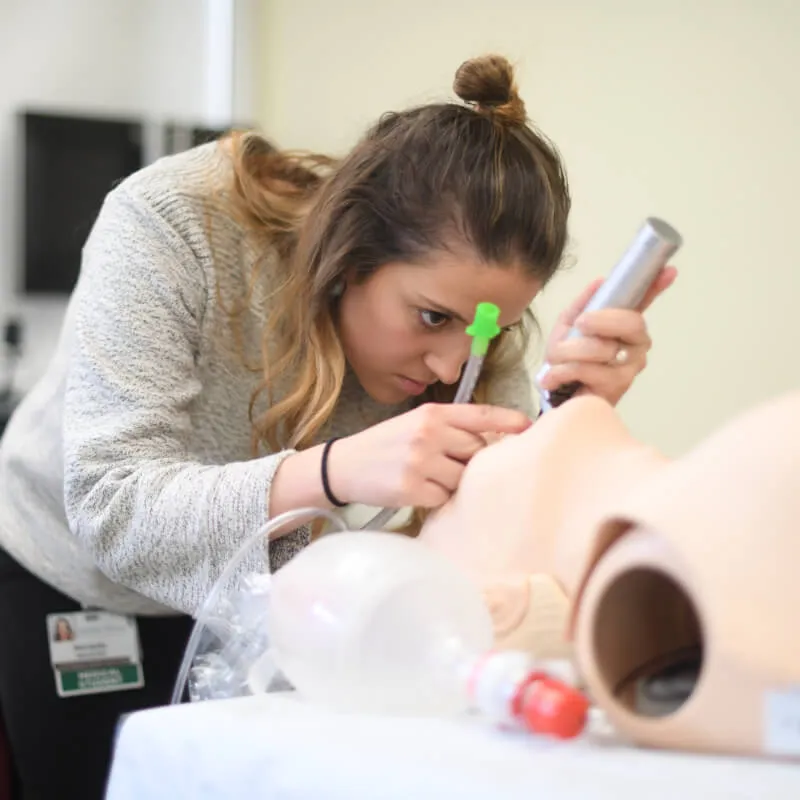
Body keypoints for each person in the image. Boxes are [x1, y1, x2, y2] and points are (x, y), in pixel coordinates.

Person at [0, 54, 675, 798]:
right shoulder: (174, 224)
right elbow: (112, 505)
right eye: (431, 317)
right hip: (79, 584)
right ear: (348, 256)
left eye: (491, 329)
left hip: (281, 607)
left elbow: (493, 522)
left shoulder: (470, 330)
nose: (455, 362)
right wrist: (329, 471)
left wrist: (568, 410)